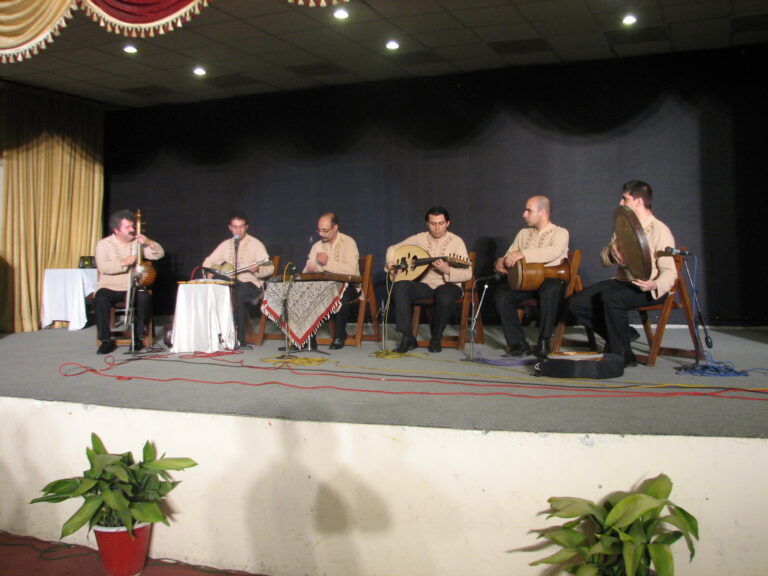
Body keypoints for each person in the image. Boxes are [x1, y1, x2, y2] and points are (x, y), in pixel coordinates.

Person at [569, 180, 676, 366]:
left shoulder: (660, 230)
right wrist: (612, 252)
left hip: (648, 286)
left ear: (638, 201)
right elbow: (603, 259)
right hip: (622, 281)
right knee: (577, 303)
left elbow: (669, 271)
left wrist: (654, 284)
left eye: (624, 198)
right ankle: (624, 335)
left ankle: (623, 355)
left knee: (612, 298)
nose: (620, 203)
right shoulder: (623, 227)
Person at [385, 206, 472, 353]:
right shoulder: (419, 238)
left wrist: (447, 270)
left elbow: (468, 273)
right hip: (424, 285)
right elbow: (392, 249)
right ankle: (408, 338)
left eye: (441, 223)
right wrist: (390, 263)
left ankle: (436, 339)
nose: (437, 228)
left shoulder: (457, 242)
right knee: (400, 287)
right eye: (433, 223)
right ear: (427, 224)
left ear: (448, 223)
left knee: (444, 296)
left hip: (448, 285)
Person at [493, 195, 569, 358]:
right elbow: (509, 255)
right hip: (526, 282)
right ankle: (518, 343)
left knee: (550, 290)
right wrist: (501, 261)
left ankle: (544, 341)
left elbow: (553, 252)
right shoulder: (523, 233)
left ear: (542, 212)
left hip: (551, 280)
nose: (524, 214)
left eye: (528, 210)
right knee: (502, 294)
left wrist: (523, 253)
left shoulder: (560, 232)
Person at [94, 209, 164, 354]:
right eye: (128, 227)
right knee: (100, 299)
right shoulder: (104, 244)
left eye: (133, 226)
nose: (132, 230)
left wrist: (149, 242)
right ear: (116, 230)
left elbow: (159, 254)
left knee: (144, 297)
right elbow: (103, 267)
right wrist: (124, 262)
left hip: (132, 287)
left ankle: (138, 337)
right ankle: (105, 341)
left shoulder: (137, 243)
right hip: (110, 287)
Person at [203, 211, 274, 350]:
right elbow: (208, 262)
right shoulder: (225, 244)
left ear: (246, 227)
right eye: (235, 227)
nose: (238, 230)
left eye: (241, 226)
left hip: (250, 285)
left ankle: (239, 339)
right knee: (217, 286)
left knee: (237, 293)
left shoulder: (255, 244)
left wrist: (257, 270)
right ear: (229, 227)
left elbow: (270, 268)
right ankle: (215, 335)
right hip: (230, 283)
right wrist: (209, 272)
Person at [303, 212, 360, 350]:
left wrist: (327, 262)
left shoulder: (349, 242)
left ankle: (340, 335)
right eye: (319, 230)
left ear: (335, 228)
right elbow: (306, 272)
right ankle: (308, 340)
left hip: (349, 286)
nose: (321, 234)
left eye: (325, 230)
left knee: (341, 295)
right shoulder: (316, 246)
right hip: (324, 287)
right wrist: (310, 269)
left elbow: (352, 271)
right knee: (305, 294)